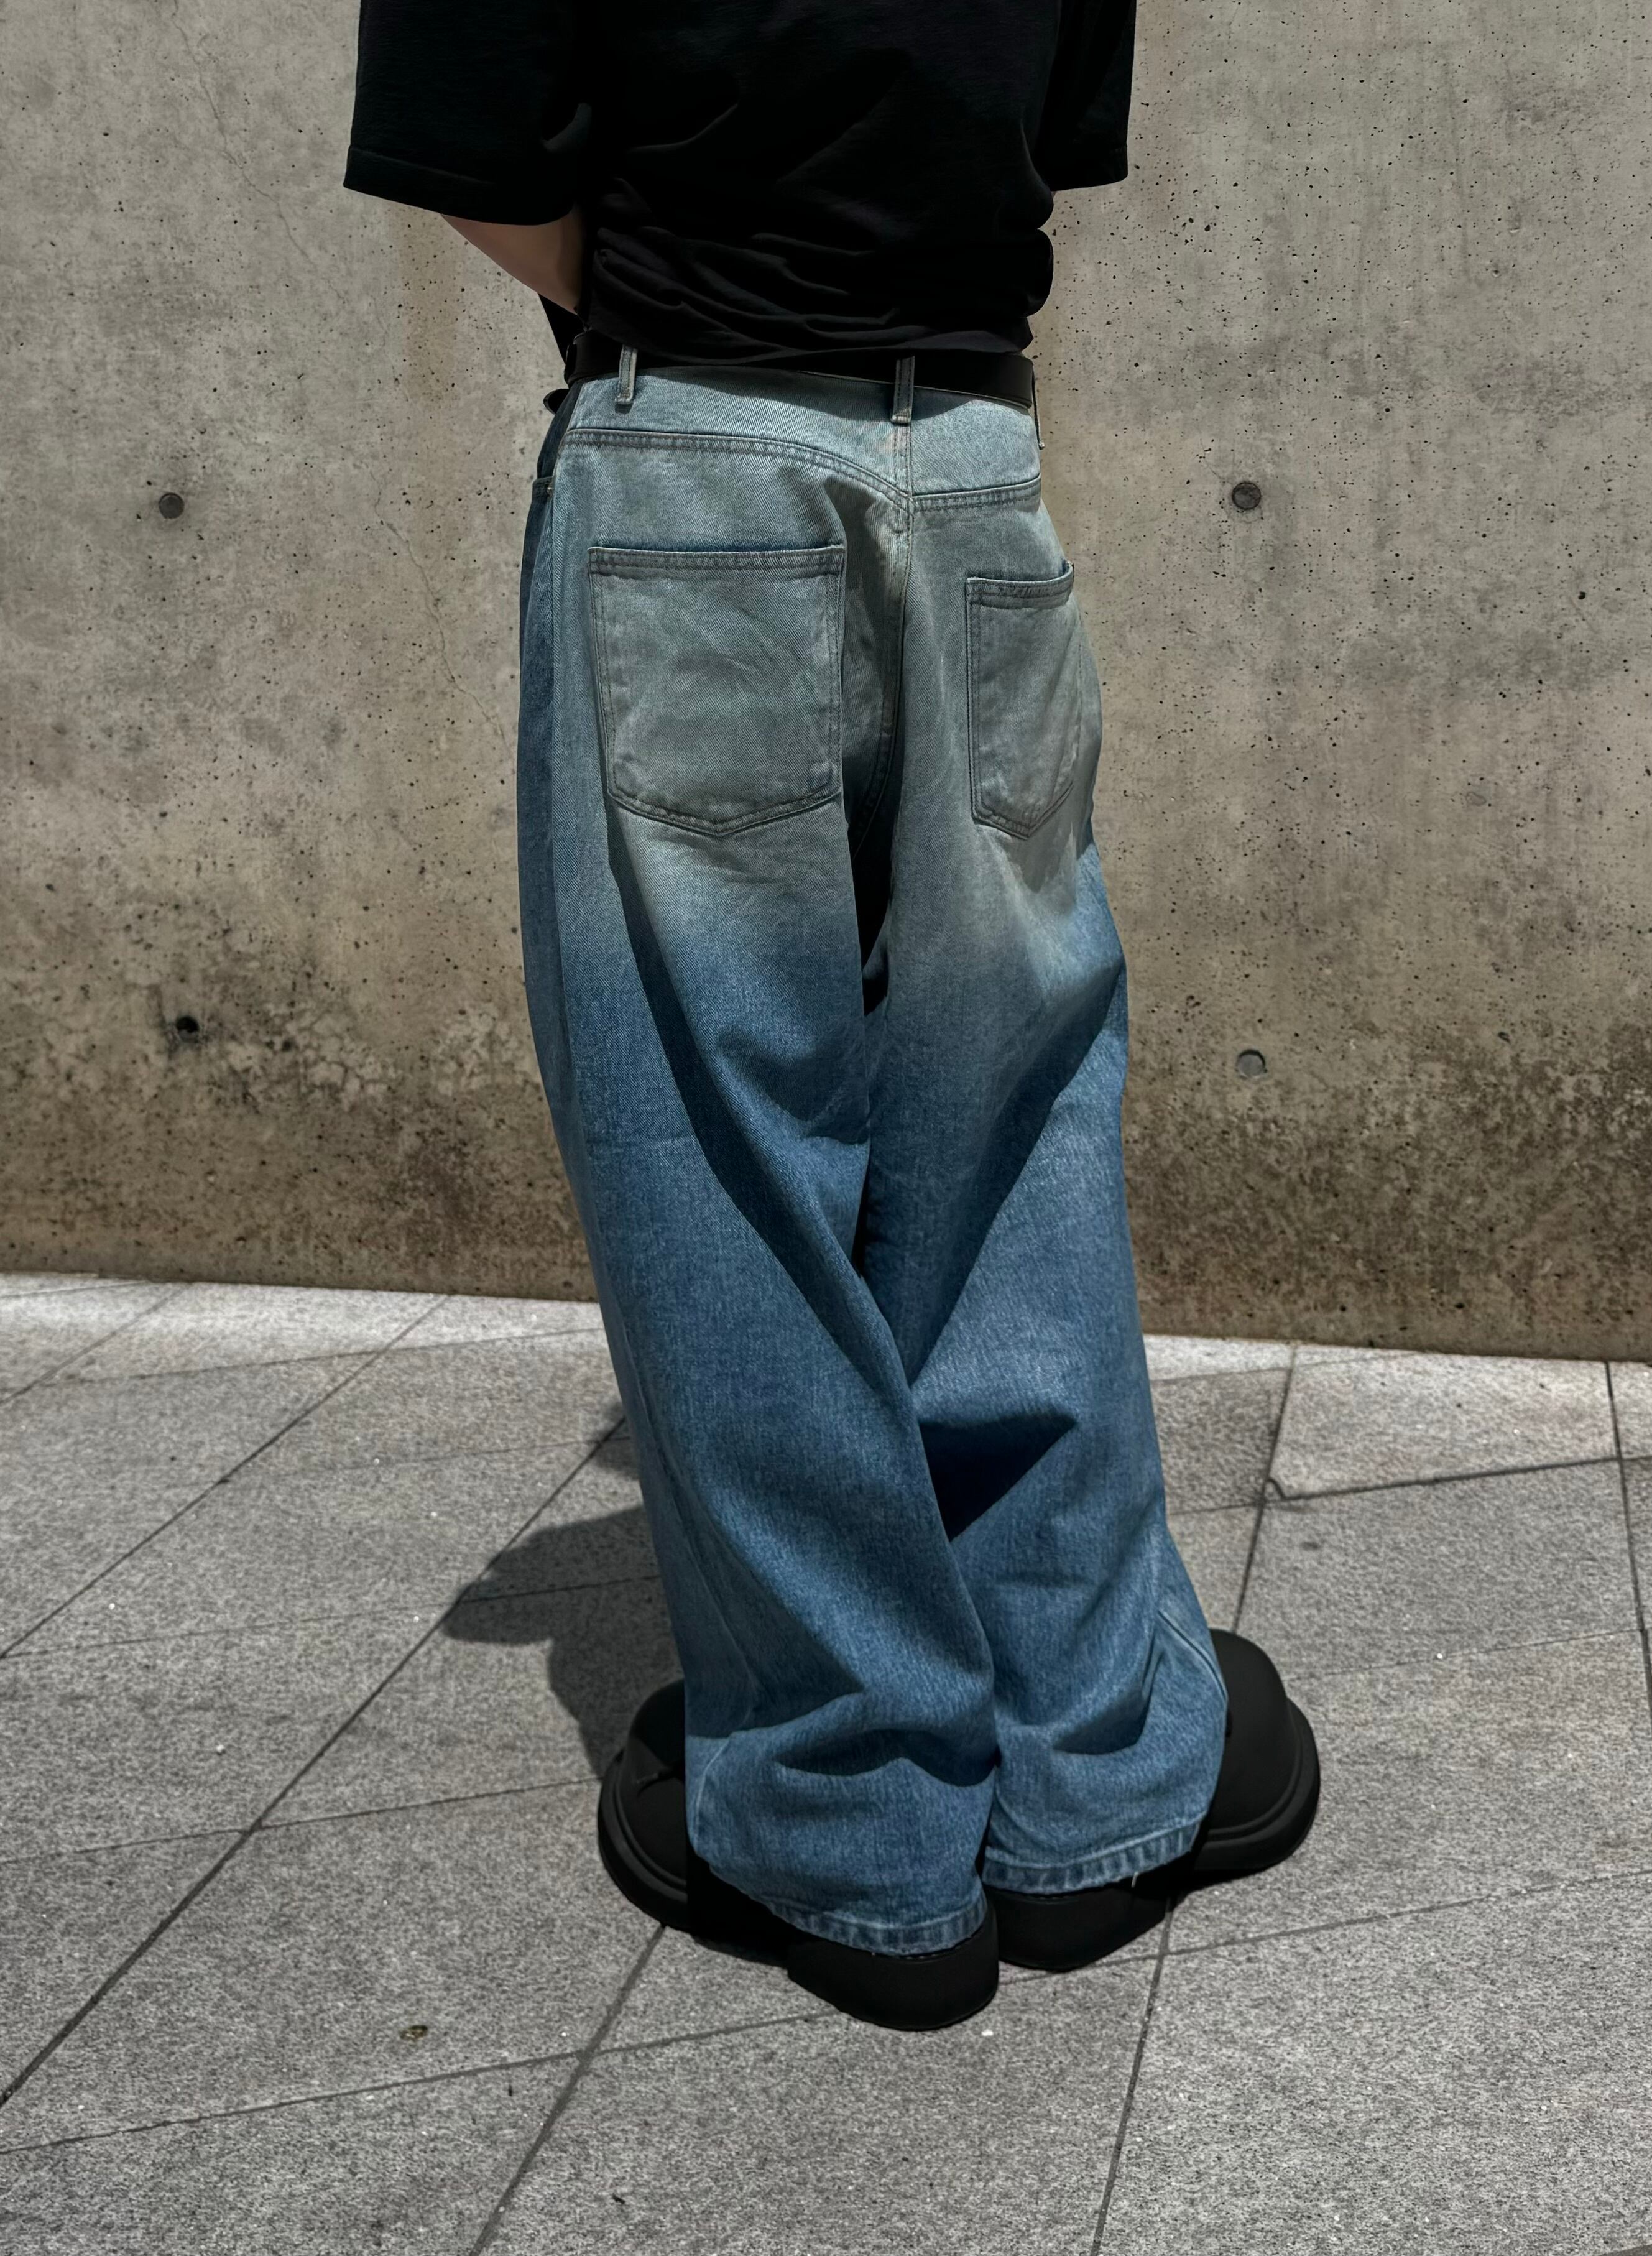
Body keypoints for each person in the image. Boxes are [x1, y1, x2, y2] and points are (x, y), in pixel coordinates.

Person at [343, 0, 1319, 2033]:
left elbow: (485, 159)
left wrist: (693, 288)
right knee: (1011, 1119)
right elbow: (1026, 142)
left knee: (722, 1148)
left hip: (689, 453)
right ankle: (1087, 1768)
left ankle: (853, 1818)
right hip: (967, 469)